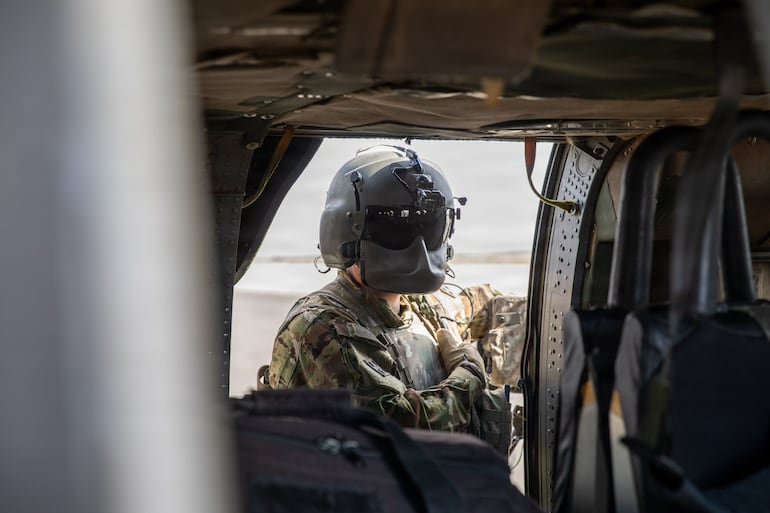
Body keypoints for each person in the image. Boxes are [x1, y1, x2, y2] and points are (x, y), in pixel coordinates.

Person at [268, 145, 510, 448]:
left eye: (428, 223)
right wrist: (469, 376)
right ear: (348, 230)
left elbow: (482, 303)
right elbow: (398, 424)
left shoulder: (426, 307)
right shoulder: (324, 328)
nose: (418, 245)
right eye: (396, 226)